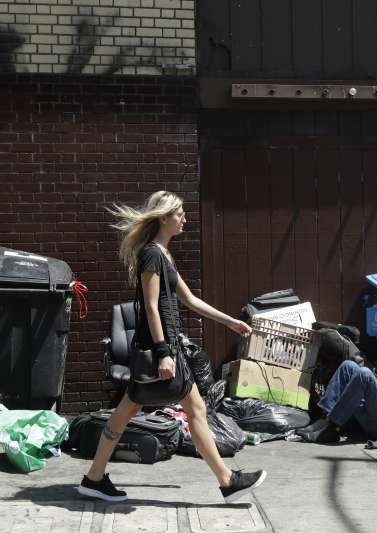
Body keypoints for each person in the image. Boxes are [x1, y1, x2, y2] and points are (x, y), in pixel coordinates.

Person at [77, 191, 267, 503]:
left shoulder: (163, 255)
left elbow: (189, 300)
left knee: (133, 410)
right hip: (160, 348)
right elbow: (151, 308)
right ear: (163, 218)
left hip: (163, 345)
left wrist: (229, 321)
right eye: (179, 214)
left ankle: (94, 478)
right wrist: (164, 353)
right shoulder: (152, 254)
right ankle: (227, 481)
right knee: (193, 410)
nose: (184, 219)